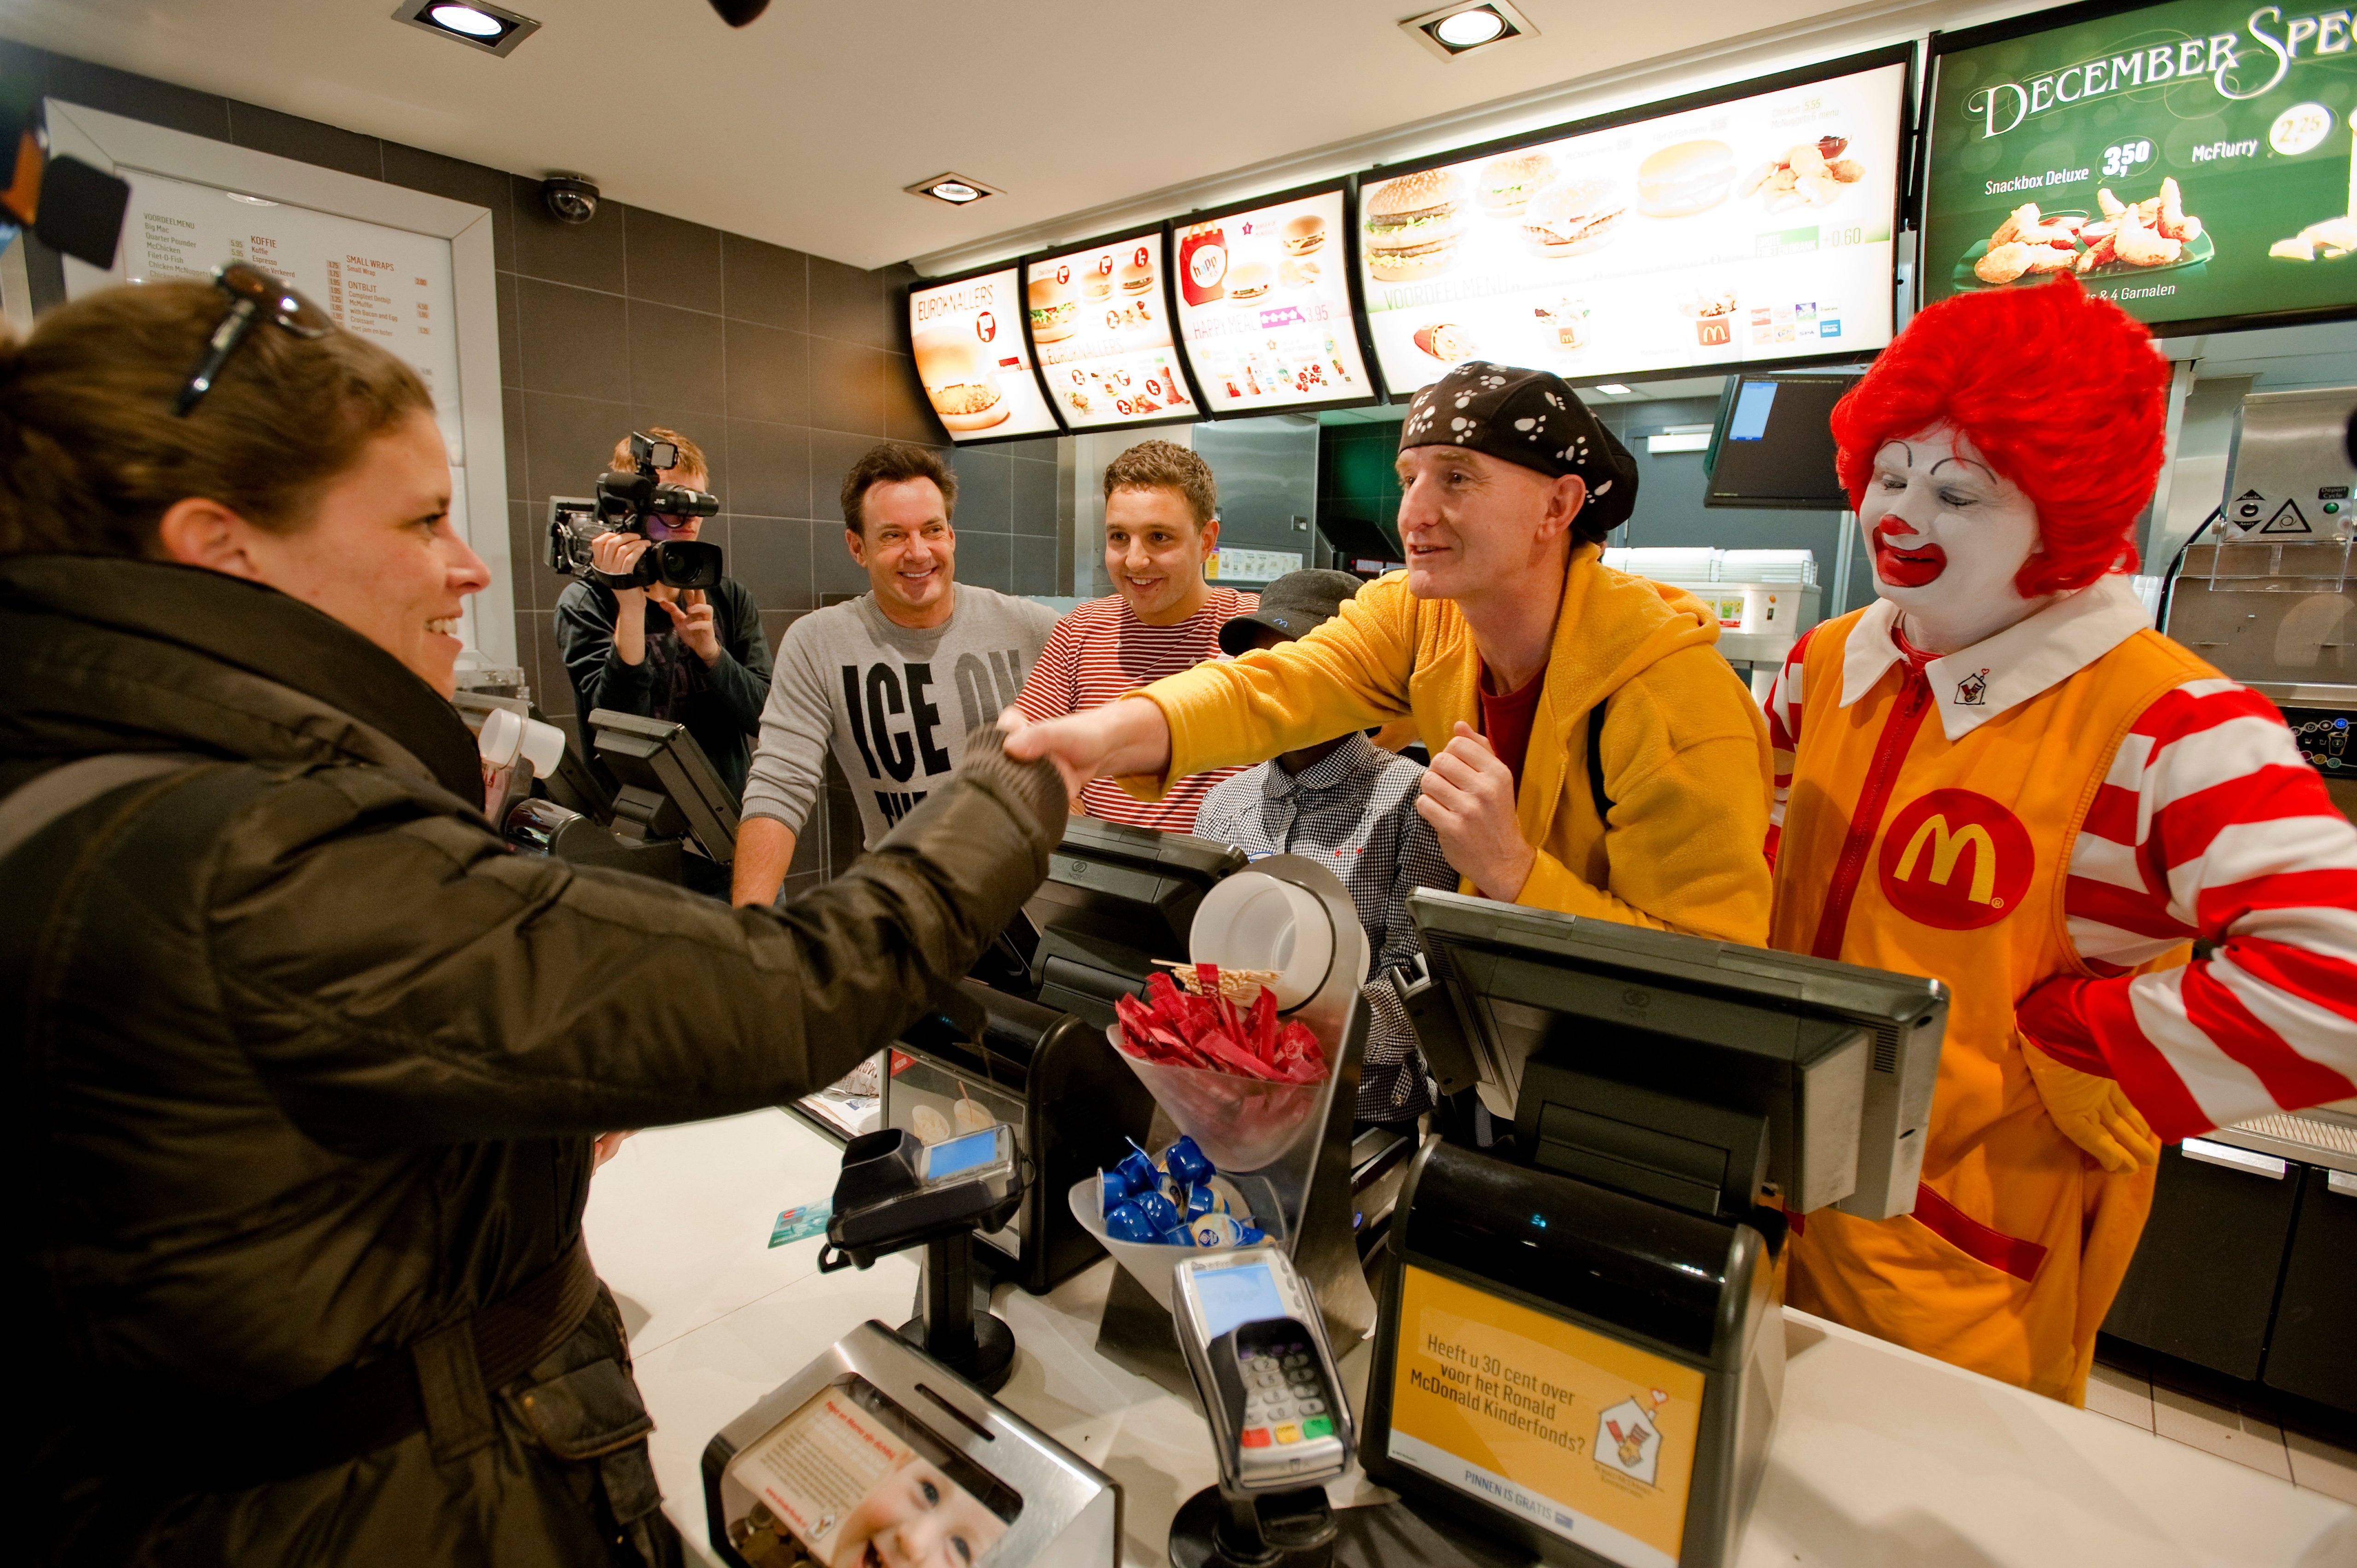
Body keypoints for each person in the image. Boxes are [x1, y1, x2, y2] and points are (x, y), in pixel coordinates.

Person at [3, 271, 1069, 1567]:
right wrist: (1027, 778)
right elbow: (792, 988)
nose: (464, 566)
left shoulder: (91, 778)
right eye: (422, 518)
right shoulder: (249, 851)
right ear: (224, 549)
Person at [1762, 277, 2357, 1406]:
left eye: (1957, 490)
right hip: (1762, 1197)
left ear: (2067, 505)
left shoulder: (2169, 720)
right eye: (1886, 475)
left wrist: (2092, 1037)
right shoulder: (1827, 661)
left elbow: (2338, 980)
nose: (1900, 516)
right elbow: (1763, 851)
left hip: (1962, 1252)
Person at [1010, 362, 1774, 944]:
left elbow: (1705, 974)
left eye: (1457, 478)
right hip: (1497, 1040)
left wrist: (1512, 870)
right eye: (1410, 478)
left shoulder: (1676, 703)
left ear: (1559, 505)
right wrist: (1105, 735)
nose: (1414, 512)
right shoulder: (1426, 617)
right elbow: (1272, 686)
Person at [734, 441, 1059, 907]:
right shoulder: (818, 642)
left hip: (1034, 899)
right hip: (907, 907)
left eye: (932, 529)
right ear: (857, 547)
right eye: (892, 535)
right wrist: (749, 928)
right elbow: (779, 783)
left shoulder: (1032, 627)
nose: (918, 552)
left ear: (951, 535)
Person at [1192, 570, 1459, 1126]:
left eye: (1298, 672)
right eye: (1261, 672)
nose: (1275, 695)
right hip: (1236, 1103)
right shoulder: (1222, 803)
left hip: (1362, 1114)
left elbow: (1419, 983)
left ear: (1355, 683)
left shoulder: (1413, 801)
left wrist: (1290, 1038)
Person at [1014, 439, 1257, 833]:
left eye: (1159, 537)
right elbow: (1029, 752)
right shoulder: (1081, 630)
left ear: (1207, 541)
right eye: (1119, 537)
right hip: (1101, 876)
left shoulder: (1252, 627)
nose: (1135, 560)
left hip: (1226, 885)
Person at [553, 426, 773, 801]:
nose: (689, 519)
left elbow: (766, 718)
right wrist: (631, 608)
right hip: (639, 822)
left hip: (724, 814)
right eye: (672, 503)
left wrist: (713, 656)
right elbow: (618, 733)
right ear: (629, 508)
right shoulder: (586, 602)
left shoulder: (729, 597)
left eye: (697, 503)